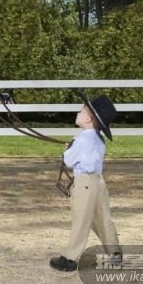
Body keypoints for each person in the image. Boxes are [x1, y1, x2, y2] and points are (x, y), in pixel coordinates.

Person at [50, 93, 121, 272]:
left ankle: (69, 258)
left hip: (84, 183)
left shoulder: (81, 139)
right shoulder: (98, 138)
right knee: (103, 219)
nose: (78, 112)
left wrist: (67, 150)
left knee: (81, 219)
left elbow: (68, 160)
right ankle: (115, 253)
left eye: (82, 111)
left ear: (89, 119)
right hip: (98, 182)